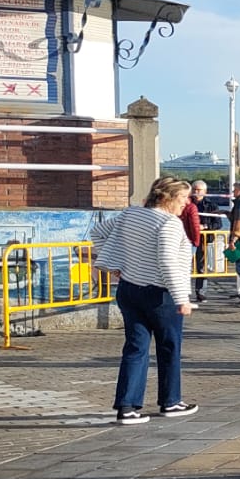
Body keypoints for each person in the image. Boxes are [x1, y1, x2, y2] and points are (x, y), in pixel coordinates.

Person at [95, 176, 198, 425]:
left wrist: (115, 266)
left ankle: (127, 407)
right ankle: (171, 401)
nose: (186, 203)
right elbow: (167, 263)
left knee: (135, 347)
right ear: (167, 198)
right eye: (183, 197)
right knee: (169, 347)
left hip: (129, 289)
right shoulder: (169, 224)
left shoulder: (131, 214)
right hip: (159, 295)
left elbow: (98, 233)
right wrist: (181, 298)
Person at [181, 180, 208, 304]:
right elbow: (192, 224)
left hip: (206, 241)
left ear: (205, 192)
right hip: (191, 240)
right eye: (194, 190)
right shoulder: (189, 206)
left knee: (202, 267)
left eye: (199, 190)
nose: (196, 192)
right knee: (186, 267)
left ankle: (200, 292)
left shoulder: (210, 205)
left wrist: (206, 226)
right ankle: (184, 293)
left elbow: (217, 223)